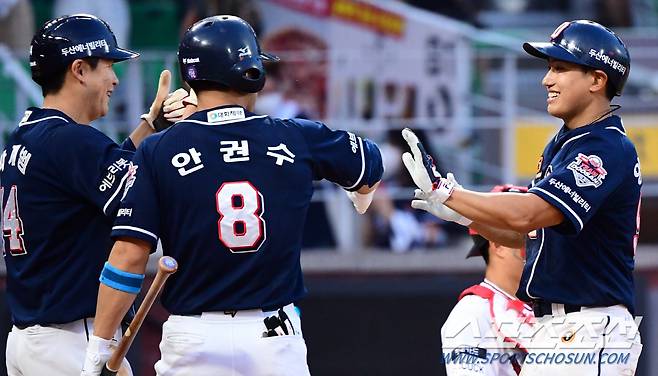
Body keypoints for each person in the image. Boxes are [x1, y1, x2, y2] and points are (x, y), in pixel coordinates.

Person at [82, 15, 383, 376]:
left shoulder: (159, 149)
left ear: (190, 78)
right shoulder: (296, 136)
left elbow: (127, 256)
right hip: (273, 337)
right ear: (252, 72)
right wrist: (360, 193)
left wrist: (99, 346)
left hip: (192, 336)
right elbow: (369, 163)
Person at [405, 20, 642, 374]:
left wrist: (449, 191)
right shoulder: (566, 144)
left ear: (597, 79)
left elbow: (529, 215)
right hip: (561, 327)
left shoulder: (605, 146)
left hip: (589, 325)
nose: (547, 80)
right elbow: (529, 236)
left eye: (560, 68)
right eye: (549, 68)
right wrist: (466, 216)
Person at [1, 14, 192, 376]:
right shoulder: (71, 140)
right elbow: (141, 193)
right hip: (72, 340)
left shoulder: (26, 134)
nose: (115, 79)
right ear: (79, 69)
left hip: (29, 340)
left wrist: (151, 126)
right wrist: (188, 133)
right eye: (107, 65)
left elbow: (99, 174)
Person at [441, 185, 534, 376]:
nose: (538, 247)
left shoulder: (556, 305)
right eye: (528, 237)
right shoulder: (472, 313)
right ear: (498, 243)